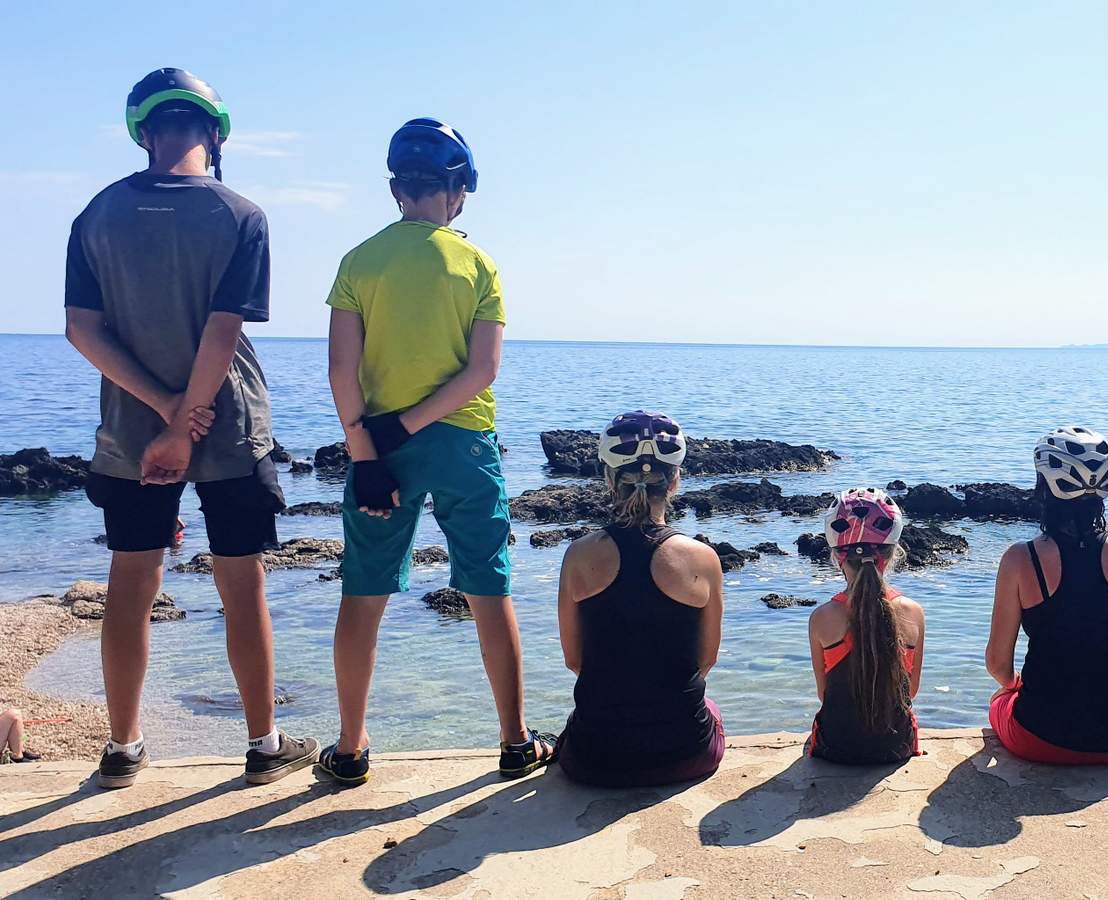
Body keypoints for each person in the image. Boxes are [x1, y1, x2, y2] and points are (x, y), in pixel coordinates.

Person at [64, 68, 315, 789]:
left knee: (130, 583)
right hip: (228, 422)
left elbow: (82, 329)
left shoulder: (96, 215)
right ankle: (264, 745)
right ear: (214, 130)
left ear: (143, 131)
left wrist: (162, 410)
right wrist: (186, 421)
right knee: (242, 582)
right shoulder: (241, 215)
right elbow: (222, 329)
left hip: (128, 430)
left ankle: (122, 748)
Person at [317, 117, 554, 786]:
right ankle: (515, 741)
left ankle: (351, 748)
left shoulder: (359, 261)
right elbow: (483, 371)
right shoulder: (478, 264)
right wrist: (412, 424)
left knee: (364, 591)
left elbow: (340, 371)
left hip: (378, 449)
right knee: (488, 586)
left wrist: (369, 450)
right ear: (458, 192)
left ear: (397, 189)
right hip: (463, 444)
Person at [556, 412, 726, 786]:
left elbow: (574, 661)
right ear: (675, 480)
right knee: (710, 708)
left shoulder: (578, 555)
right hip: (686, 755)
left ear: (609, 479)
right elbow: (706, 660)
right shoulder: (703, 558)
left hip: (593, 759)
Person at [986, 427, 1108, 764]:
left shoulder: (1021, 558)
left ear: (1043, 487)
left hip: (1041, 737)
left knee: (999, 701)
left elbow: (998, 663)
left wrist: (1014, 685)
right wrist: (1105, 684)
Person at [806, 489, 926, 765]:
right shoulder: (913, 613)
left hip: (834, 748)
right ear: (893, 553)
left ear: (837, 556)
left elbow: (824, 695)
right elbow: (911, 691)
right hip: (895, 747)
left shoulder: (822, 618)